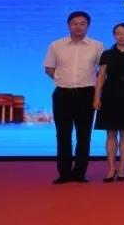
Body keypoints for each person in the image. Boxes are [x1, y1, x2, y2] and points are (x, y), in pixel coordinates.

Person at [43, 11, 104, 184]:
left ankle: (80, 172)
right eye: (74, 23)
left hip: (86, 94)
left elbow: (102, 71)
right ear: (68, 25)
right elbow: (49, 68)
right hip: (62, 94)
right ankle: (64, 172)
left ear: (88, 26)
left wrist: (96, 91)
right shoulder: (56, 45)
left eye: (82, 23)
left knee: (84, 135)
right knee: (63, 134)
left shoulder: (97, 46)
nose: (78, 26)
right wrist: (62, 80)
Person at [92, 23, 124, 182]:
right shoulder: (107, 54)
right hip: (109, 96)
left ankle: (122, 168)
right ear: (114, 36)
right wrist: (96, 97)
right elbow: (101, 76)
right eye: (118, 33)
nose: (122, 36)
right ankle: (111, 168)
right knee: (110, 133)